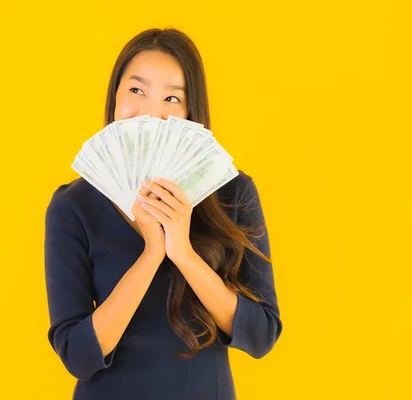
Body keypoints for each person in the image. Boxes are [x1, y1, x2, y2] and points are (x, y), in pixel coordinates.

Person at [44, 27, 283, 400]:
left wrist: (182, 253)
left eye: (172, 98)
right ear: (114, 97)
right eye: (136, 90)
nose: (151, 114)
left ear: (190, 112)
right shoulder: (74, 206)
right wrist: (151, 253)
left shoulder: (233, 193)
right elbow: (77, 354)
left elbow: (261, 334)